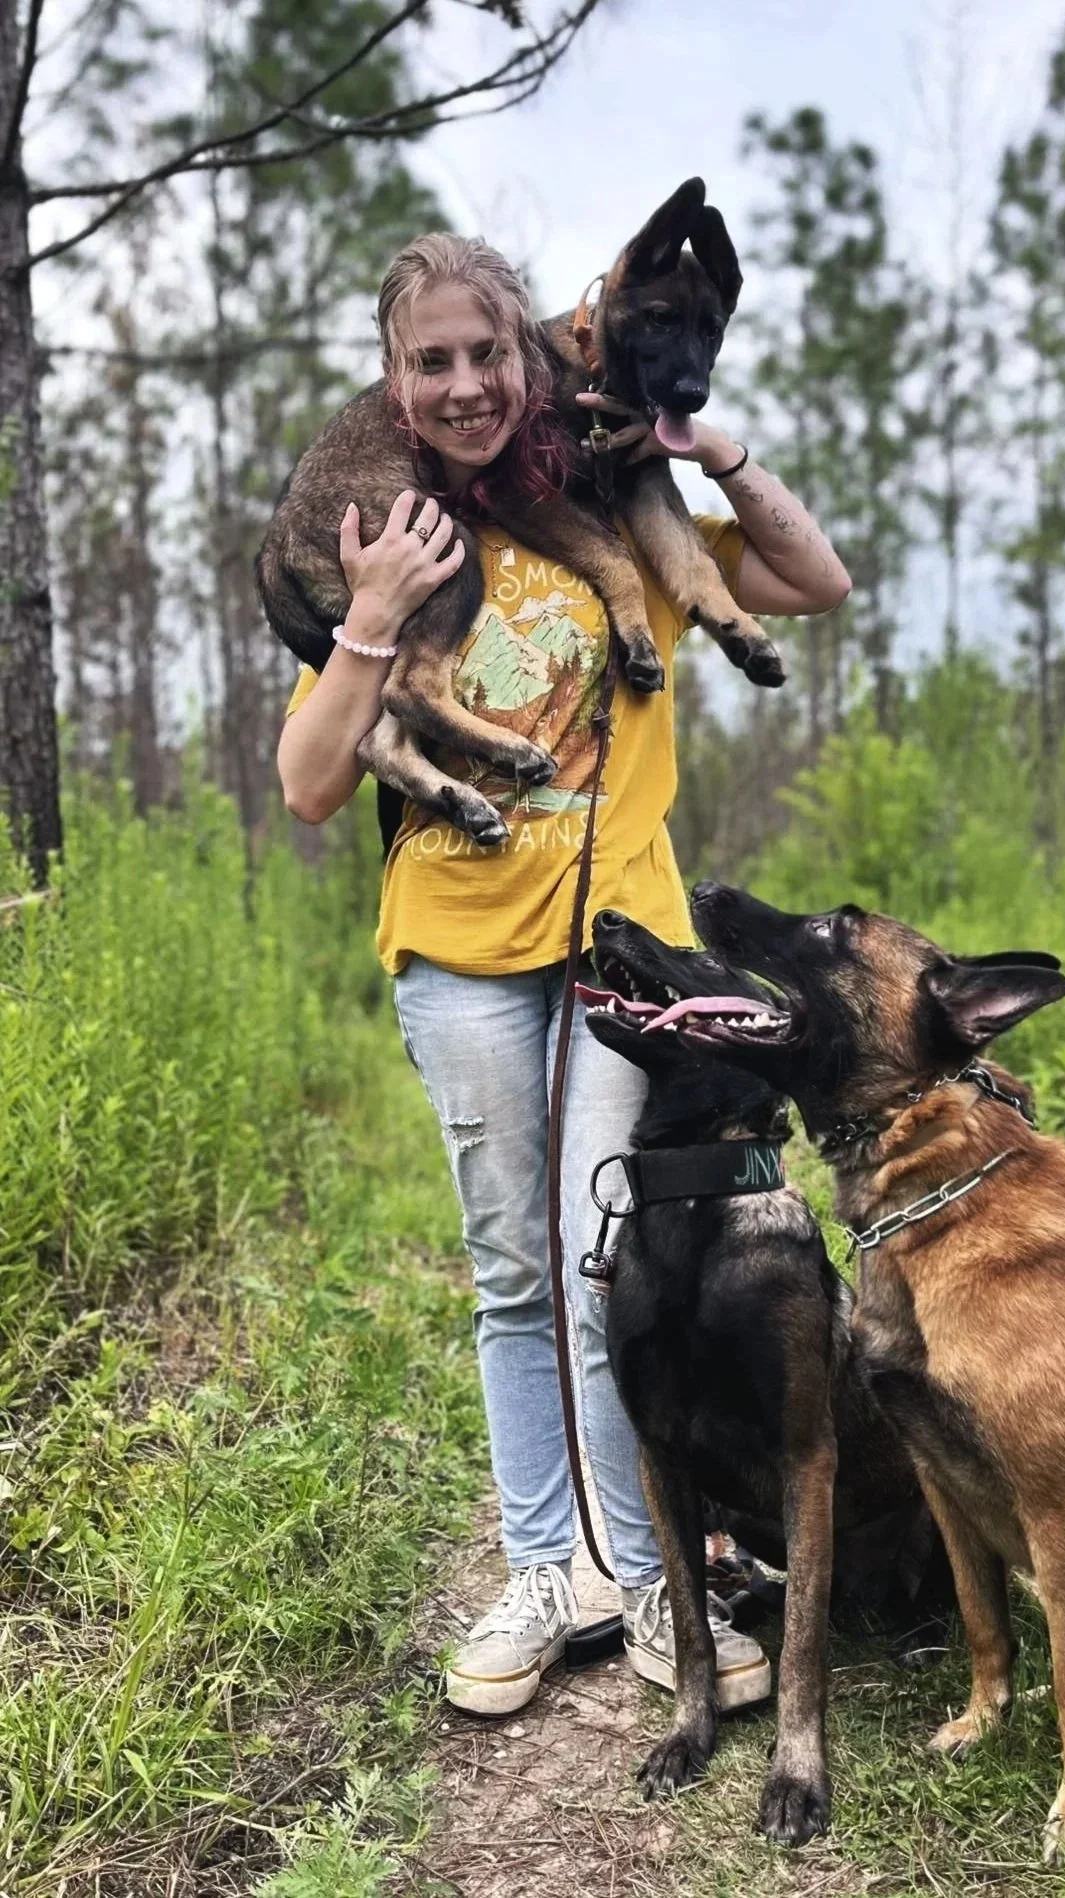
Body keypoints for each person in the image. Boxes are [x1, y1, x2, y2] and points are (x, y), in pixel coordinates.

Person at [277, 233, 850, 1719]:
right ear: (394, 379)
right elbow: (311, 784)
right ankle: (547, 1569)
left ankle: (652, 1574)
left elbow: (815, 576)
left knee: (612, 1262)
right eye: (432, 362)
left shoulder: (611, 506)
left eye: (489, 353)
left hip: (625, 950)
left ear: (531, 353)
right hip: (459, 952)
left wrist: (710, 446)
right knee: (514, 1274)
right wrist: (370, 616)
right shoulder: (392, 535)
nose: (466, 385)